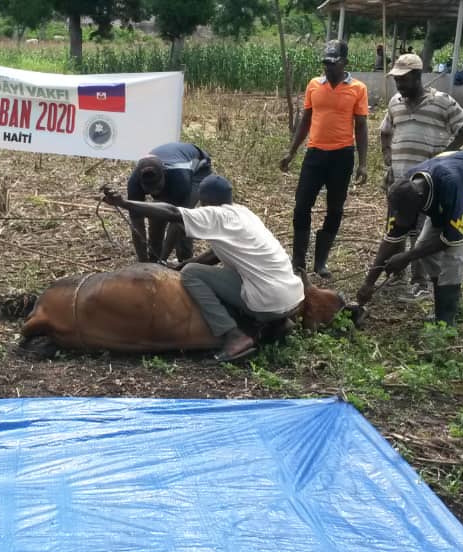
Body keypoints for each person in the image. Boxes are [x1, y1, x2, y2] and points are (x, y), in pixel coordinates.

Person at [101, 176, 305, 362]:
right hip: (293, 298)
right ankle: (277, 324)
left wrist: (124, 203)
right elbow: (215, 254)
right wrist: (182, 264)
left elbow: (172, 212)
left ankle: (232, 335)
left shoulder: (215, 215)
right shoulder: (244, 213)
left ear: (203, 200)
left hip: (268, 302)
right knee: (191, 267)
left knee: (192, 273)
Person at [357, 151, 463, 326]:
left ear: (420, 203)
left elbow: (452, 239)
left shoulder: (450, 185)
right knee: (423, 247)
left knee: (454, 255)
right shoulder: (402, 191)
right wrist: (369, 283)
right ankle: (449, 298)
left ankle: (446, 319)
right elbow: (392, 237)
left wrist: (407, 256)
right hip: (451, 185)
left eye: (409, 217)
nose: (405, 222)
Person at [381, 54, 463, 302]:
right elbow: (385, 131)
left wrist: (445, 156)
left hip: (427, 185)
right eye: (396, 80)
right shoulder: (395, 102)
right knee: (396, 227)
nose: (399, 85)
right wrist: (388, 162)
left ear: (417, 76)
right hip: (400, 181)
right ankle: (396, 275)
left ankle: (420, 283)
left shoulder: (442, 102)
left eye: (403, 79)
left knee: (420, 232)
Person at [280, 40, 369, 279]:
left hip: (342, 156)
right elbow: (306, 120)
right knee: (301, 206)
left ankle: (320, 262)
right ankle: (298, 260)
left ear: (345, 62)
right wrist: (291, 151)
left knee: (335, 209)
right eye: (326, 63)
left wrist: (363, 163)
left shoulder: (358, 88)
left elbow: (361, 126)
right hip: (315, 154)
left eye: (334, 63)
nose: (328, 68)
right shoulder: (313, 85)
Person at [125, 142, 213, 263]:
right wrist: (143, 262)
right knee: (156, 218)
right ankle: (153, 257)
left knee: (183, 223)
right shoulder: (134, 182)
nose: (154, 192)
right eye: (149, 189)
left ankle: (184, 260)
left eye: (157, 186)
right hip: (172, 172)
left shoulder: (180, 178)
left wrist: (163, 258)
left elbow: (178, 219)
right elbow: (136, 223)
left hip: (198, 172)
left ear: (164, 174)